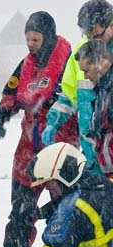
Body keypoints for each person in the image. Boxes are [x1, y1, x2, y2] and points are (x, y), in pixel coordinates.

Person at [0, 12, 78, 247]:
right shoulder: (25, 64)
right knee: (21, 209)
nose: (31, 44)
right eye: (28, 39)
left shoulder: (69, 63)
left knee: (67, 211)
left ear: (49, 38)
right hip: (28, 147)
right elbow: (11, 91)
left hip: (62, 145)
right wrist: (2, 111)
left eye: (36, 39)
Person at [42, 0, 113, 177]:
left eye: (96, 36)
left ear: (111, 24)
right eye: (87, 36)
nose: (91, 41)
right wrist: (53, 122)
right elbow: (68, 96)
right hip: (94, 156)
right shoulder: (82, 53)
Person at [78, 40, 113, 177]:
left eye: (86, 70)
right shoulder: (102, 90)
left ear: (101, 62)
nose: (85, 76)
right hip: (107, 174)